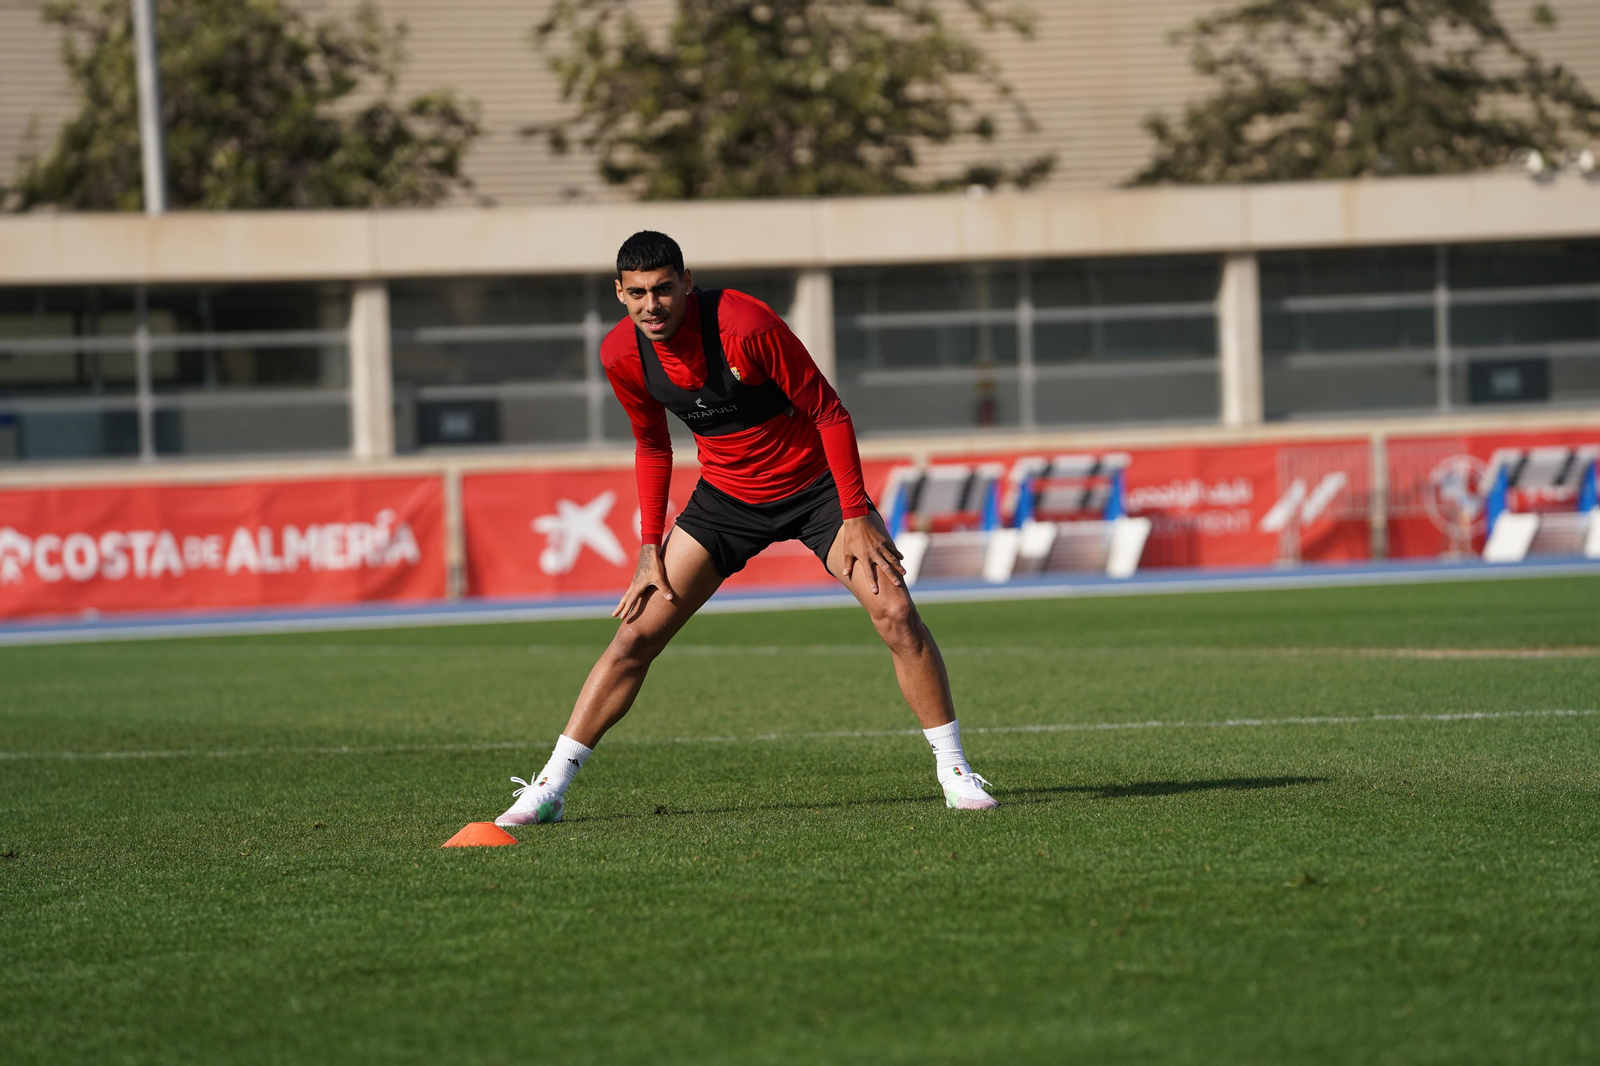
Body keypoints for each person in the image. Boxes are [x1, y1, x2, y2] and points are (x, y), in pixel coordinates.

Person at [496, 231, 996, 826]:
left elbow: (829, 412)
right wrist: (648, 548)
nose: (651, 306)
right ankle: (549, 788)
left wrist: (856, 513)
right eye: (636, 294)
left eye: (662, 290)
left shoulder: (745, 323)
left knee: (897, 615)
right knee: (635, 639)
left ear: (686, 282)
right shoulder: (620, 355)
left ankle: (954, 770)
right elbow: (652, 444)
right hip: (726, 501)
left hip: (817, 494)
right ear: (619, 294)